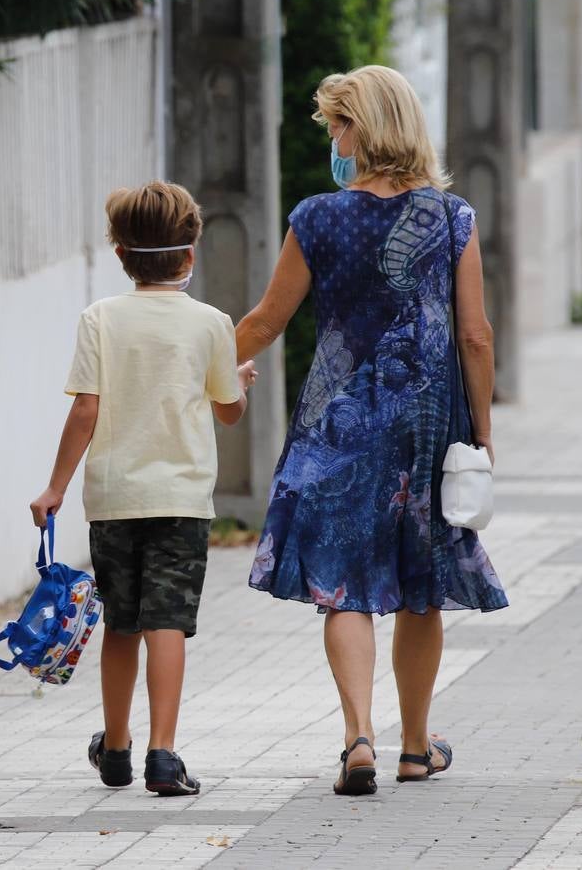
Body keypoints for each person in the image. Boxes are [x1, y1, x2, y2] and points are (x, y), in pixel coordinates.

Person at [234, 66, 508, 796]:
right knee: (421, 585)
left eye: (336, 126)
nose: (334, 140)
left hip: (338, 425)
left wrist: (201, 371)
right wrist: (481, 433)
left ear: (365, 128)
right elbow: (475, 336)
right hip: (424, 427)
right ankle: (416, 746)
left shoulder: (317, 218)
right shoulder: (452, 219)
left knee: (343, 585)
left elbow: (267, 321)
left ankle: (358, 737)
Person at [29, 181, 258, 796]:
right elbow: (228, 411)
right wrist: (237, 380)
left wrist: (55, 488)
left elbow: (86, 408)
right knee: (169, 624)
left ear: (121, 254)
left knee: (121, 625)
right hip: (181, 501)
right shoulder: (212, 323)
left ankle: (117, 749)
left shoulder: (100, 319)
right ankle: (164, 753)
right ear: (190, 255)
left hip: (114, 499)